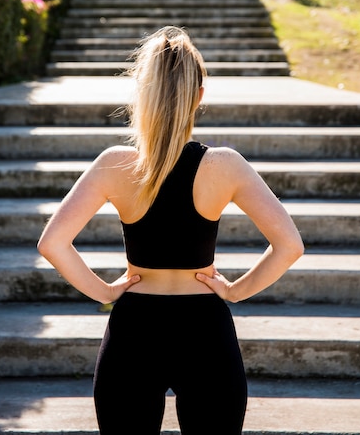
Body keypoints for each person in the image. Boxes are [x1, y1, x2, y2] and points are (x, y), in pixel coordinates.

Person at [37, 25, 304, 435]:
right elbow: (289, 245)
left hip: (134, 331)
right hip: (206, 332)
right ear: (199, 95)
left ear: (141, 95)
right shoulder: (226, 165)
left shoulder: (114, 164)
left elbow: (53, 243)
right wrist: (235, 291)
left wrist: (106, 292)